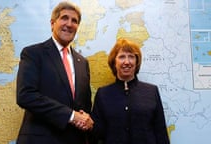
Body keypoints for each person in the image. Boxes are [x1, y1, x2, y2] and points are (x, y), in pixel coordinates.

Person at [16, 1, 93, 144]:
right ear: (52, 23)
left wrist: (85, 118)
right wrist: (71, 116)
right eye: (64, 18)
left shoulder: (83, 63)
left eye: (74, 21)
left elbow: (84, 105)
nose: (69, 24)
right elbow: (25, 95)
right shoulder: (33, 54)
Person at [90, 38, 170, 144]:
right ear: (114, 62)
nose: (127, 62)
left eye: (131, 57)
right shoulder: (103, 94)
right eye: (122, 57)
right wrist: (88, 123)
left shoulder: (152, 92)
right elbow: (97, 134)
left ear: (137, 62)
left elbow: (161, 133)